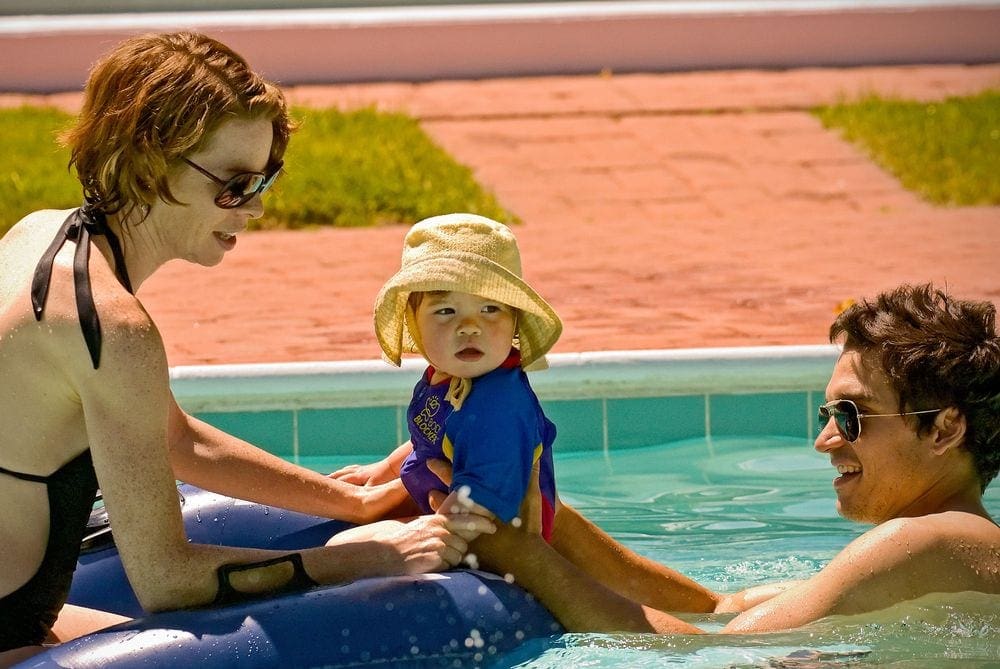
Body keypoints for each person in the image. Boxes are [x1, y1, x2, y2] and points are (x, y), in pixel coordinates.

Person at [0, 32, 493, 663]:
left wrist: (354, 502)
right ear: (151, 160)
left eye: (265, 180)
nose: (254, 208)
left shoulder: (39, 233)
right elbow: (166, 581)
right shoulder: (113, 332)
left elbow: (176, 440)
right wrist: (363, 558)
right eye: (235, 183)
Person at [465, 283, 1000, 634]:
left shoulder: (928, 541)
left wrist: (525, 558)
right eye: (827, 414)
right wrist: (541, 510)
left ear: (945, 429)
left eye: (854, 415)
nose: (826, 440)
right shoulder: (939, 547)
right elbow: (716, 610)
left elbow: (707, 657)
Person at [336, 213, 563, 540]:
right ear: (413, 324)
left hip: (492, 538)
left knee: (344, 545)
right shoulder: (449, 377)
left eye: (490, 309)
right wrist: (385, 468)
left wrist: (431, 529)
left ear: (515, 321)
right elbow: (433, 433)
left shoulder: (499, 407)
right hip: (445, 504)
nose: (470, 326)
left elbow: (484, 493)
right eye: (446, 311)